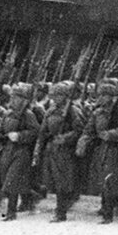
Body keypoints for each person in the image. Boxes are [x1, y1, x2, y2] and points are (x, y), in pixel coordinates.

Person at [78, 81, 118, 224]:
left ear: (111, 97)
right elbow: (89, 129)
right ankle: (105, 207)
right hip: (101, 149)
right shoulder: (97, 112)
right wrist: (84, 140)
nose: (101, 98)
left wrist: (111, 134)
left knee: (110, 180)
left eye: (105, 95)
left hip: (115, 150)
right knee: (102, 179)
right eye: (100, 95)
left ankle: (108, 213)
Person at [34, 82, 86, 222]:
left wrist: (66, 138)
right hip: (52, 149)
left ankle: (61, 212)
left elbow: (80, 130)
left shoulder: (73, 111)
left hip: (65, 151)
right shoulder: (50, 111)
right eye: (54, 95)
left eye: (60, 95)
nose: (56, 98)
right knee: (53, 181)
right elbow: (43, 131)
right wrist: (40, 147)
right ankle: (60, 209)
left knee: (62, 181)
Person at [0, 83, 40, 220]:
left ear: (24, 99)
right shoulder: (7, 114)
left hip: (21, 151)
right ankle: (29, 197)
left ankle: (11, 212)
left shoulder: (28, 115)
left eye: (17, 97)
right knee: (6, 179)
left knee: (12, 180)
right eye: (12, 97)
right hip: (7, 150)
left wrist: (20, 136)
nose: (13, 100)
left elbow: (35, 131)